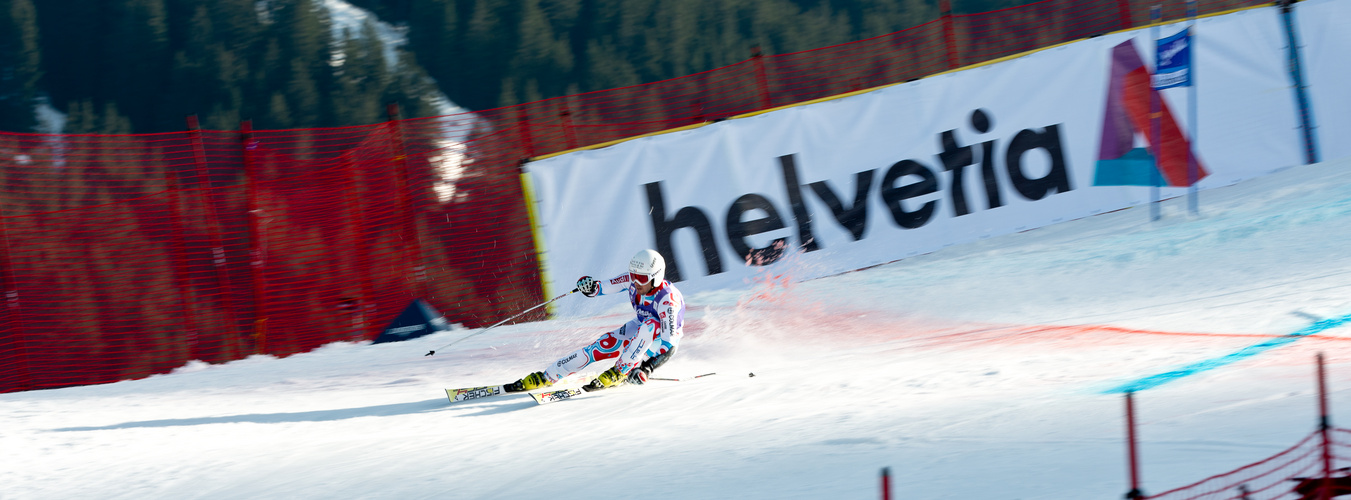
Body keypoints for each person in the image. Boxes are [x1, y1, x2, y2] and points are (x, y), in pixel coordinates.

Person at [506, 249, 686, 393]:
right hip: (642, 329)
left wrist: (646, 369)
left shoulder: (668, 301)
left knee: (650, 325)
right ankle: (548, 376)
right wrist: (589, 287)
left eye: (642, 278)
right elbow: (602, 287)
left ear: (656, 277)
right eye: (633, 275)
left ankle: (620, 372)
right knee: (603, 345)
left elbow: (670, 346)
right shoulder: (633, 280)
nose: (636, 281)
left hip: (659, 344)